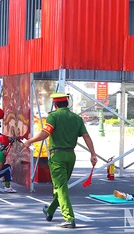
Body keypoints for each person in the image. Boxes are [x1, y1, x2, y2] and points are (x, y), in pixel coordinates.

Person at [24, 93, 97, 229]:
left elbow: (45, 133)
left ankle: (69, 218)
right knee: (61, 186)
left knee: (61, 187)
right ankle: (50, 211)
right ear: (67, 104)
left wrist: (30, 141)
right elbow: (86, 136)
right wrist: (93, 154)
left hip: (57, 156)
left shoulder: (53, 116)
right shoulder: (76, 118)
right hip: (71, 155)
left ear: (55, 105)